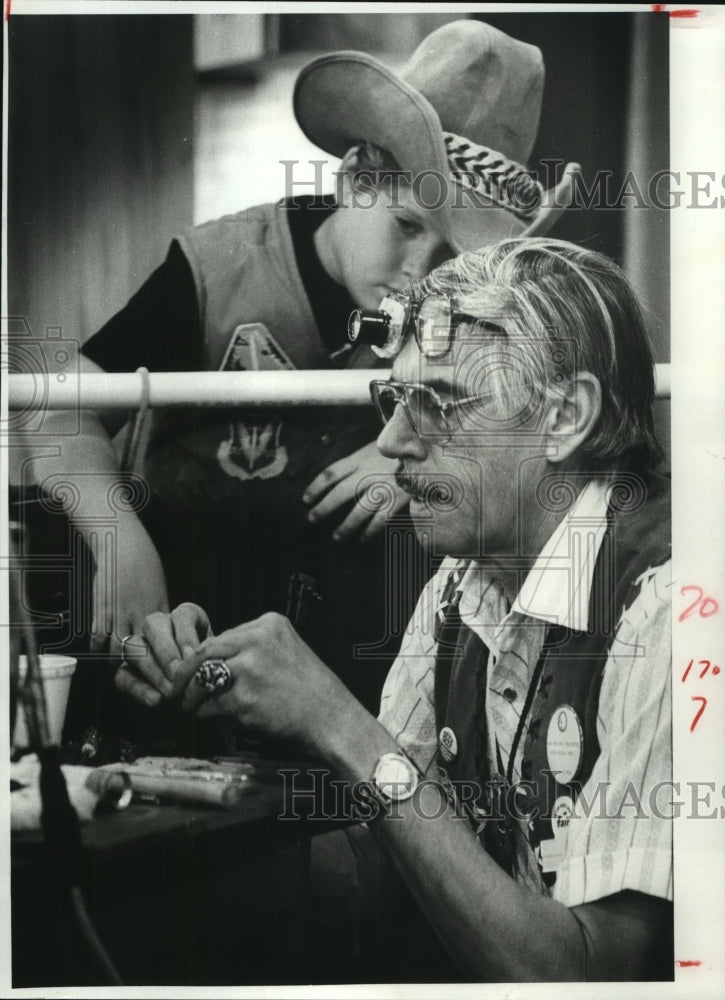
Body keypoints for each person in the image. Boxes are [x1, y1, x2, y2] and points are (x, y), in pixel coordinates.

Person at [117, 238, 673, 982]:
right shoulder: (459, 584)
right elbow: (384, 874)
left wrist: (336, 722)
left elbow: (585, 978)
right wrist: (206, 754)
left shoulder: (669, 605)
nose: (393, 439)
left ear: (564, 416)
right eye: (397, 398)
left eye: (438, 402)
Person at [31, 20, 577, 721]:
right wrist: (115, 535)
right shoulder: (215, 267)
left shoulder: (467, 302)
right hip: (172, 648)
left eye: (451, 251)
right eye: (407, 226)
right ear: (352, 178)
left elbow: (538, 441)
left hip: (350, 686)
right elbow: (51, 414)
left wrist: (427, 454)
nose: (420, 273)